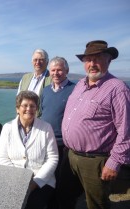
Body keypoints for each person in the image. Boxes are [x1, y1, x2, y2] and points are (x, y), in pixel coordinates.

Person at [58, 40, 130, 209]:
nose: (92, 64)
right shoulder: (80, 85)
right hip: (70, 156)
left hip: (95, 161)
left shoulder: (117, 89)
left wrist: (114, 162)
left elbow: (126, 131)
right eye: (88, 60)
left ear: (109, 60)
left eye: (97, 58)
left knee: (96, 204)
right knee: (64, 197)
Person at [0, 91, 58, 209]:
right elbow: (2, 157)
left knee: (33, 204)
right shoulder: (7, 128)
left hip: (41, 181)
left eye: (32, 106)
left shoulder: (46, 128)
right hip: (12, 179)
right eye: (24, 105)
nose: (28, 109)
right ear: (17, 109)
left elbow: (52, 158)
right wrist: (17, 180)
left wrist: (35, 182)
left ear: (36, 109)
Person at [40, 56, 76, 209]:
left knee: (62, 180)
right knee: (48, 176)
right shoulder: (46, 90)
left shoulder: (74, 90)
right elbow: (43, 112)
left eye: (59, 69)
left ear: (66, 71)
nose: (56, 73)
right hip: (46, 141)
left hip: (63, 145)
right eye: (53, 70)